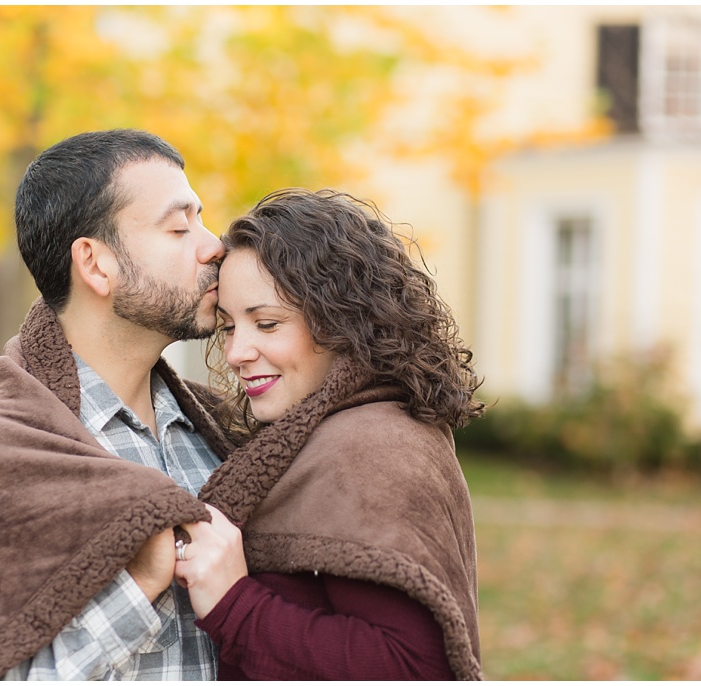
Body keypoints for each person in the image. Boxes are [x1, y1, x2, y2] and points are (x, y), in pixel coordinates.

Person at [0, 129, 239, 680]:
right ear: (95, 264)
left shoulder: (226, 431)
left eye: (202, 219)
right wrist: (138, 587)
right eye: (179, 226)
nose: (213, 244)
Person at [173, 188, 486, 680]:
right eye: (230, 327)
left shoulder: (371, 449)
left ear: (343, 321)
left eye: (268, 323)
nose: (236, 353)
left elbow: (412, 667)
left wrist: (234, 603)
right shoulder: (341, 430)